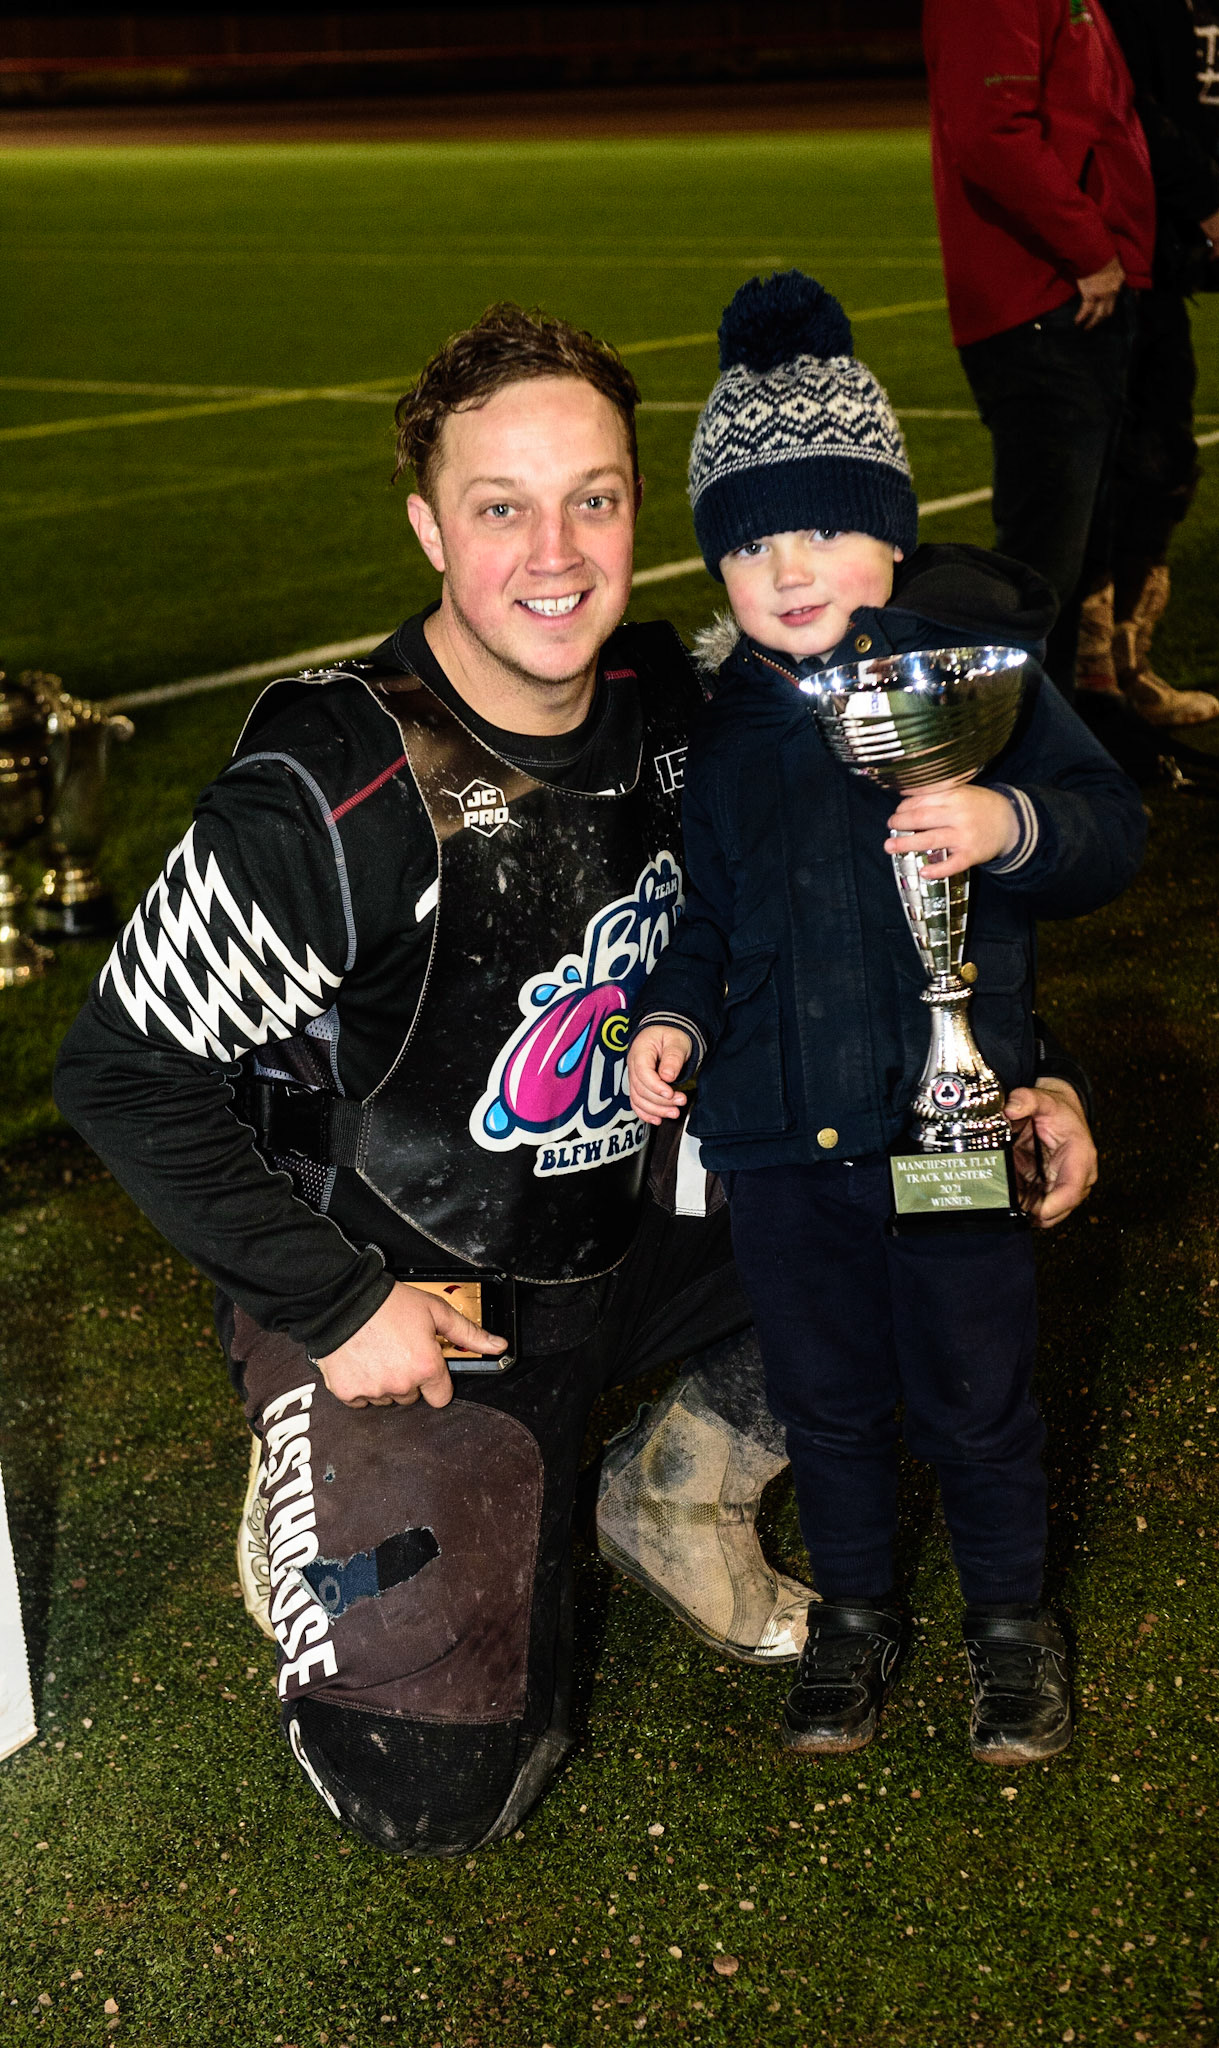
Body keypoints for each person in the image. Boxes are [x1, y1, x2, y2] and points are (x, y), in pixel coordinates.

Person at [52, 304, 822, 1857]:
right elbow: (123, 1073)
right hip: (414, 1286)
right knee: (430, 1790)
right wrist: (336, 1308)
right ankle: (311, 1448)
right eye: (499, 508)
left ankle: (680, 1489)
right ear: (427, 529)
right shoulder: (335, 787)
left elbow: (859, 923)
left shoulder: (682, 709)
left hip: (631, 1215)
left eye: (591, 498)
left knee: (955, 1171)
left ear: (635, 503)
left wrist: (1029, 1078)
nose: (555, 553)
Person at [627, 274, 1147, 1765]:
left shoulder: (967, 677)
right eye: (748, 541)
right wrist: (675, 1020)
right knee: (827, 1400)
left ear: (893, 530)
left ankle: (1009, 1623)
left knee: (978, 1391)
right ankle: (854, 1612)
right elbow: (706, 915)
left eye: (822, 527)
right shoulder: (720, 728)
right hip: (778, 1146)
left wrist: (1006, 822)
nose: (787, 567)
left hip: (948, 1123)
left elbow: (1107, 827)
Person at [921, 0, 1156, 701]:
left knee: (1068, 565)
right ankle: (1019, 752)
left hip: (1065, 295)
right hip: (1042, 297)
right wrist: (1089, 246)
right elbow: (991, 131)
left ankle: (1064, 741)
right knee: (1040, 576)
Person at [1076, 0, 1219, 729]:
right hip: (1120, 247)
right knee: (1108, 466)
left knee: (1164, 463)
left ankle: (1127, 665)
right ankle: (1092, 675)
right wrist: (1207, 198)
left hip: (1168, 256)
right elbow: (1123, 100)